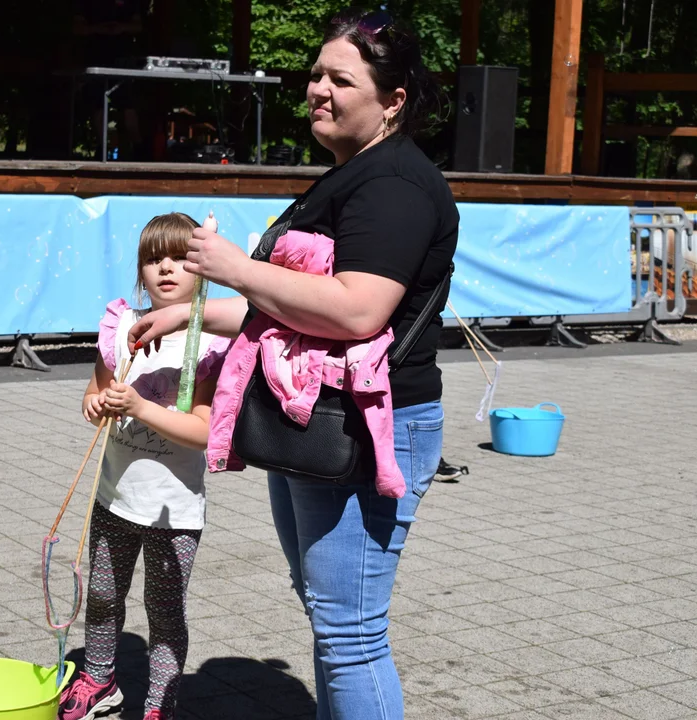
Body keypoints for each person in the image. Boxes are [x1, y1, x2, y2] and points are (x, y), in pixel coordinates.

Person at [127, 9, 458, 719]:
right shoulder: (349, 174)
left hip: (368, 431)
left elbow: (354, 309)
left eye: (340, 79)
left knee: (350, 633)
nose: (318, 90)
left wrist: (235, 269)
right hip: (316, 423)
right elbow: (292, 314)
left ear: (393, 99)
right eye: (314, 75)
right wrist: (185, 314)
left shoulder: (393, 183)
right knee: (327, 612)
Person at [59, 213, 228, 720]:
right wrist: (94, 405)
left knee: (164, 611)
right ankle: (99, 679)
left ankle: (160, 703)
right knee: (104, 597)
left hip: (172, 513)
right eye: (154, 260)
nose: (167, 269)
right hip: (113, 498)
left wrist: (138, 407)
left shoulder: (211, 341)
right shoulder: (119, 326)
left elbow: (204, 432)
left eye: (180, 259)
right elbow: (95, 390)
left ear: (204, 269)